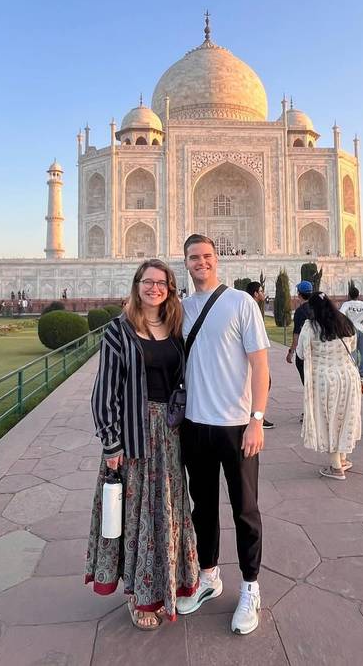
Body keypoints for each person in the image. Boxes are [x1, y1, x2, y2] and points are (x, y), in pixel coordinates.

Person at [85, 259, 198, 629]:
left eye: (161, 283)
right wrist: (111, 444)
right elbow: (104, 393)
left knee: (167, 510)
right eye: (148, 282)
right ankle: (138, 595)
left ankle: (168, 587)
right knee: (138, 515)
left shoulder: (175, 327)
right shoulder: (119, 331)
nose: (154, 288)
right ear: (137, 286)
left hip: (170, 433)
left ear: (170, 288)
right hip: (132, 436)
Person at [177, 234, 270, 635]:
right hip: (196, 426)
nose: (202, 262)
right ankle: (210, 576)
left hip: (236, 427)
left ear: (219, 260)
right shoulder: (180, 310)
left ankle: (250, 587)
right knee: (204, 507)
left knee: (245, 509)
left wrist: (256, 419)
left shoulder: (240, 303)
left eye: (207, 256)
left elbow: (261, 367)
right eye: (194, 257)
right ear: (186, 263)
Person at [298, 292, 361, 480]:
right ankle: (342, 459)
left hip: (324, 379)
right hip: (348, 376)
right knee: (344, 416)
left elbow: (301, 354)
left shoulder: (311, 326)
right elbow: (353, 347)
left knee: (328, 419)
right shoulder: (345, 322)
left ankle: (336, 468)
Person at [245, 281, 275, 429]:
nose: (263, 294)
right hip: (251, 357)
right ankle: (257, 417)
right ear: (256, 293)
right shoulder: (250, 306)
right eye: (261, 291)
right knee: (262, 383)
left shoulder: (251, 305)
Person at [339, 286, 363, 384]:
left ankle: (354, 371)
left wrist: (348, 320)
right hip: (362, 329)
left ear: (349, 295)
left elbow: (341, 314)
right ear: (358, 295)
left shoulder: (347, 304)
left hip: (351, 329)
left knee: (353, 351)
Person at [286, 281, 313, 384]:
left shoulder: (299, 312)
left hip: (304, 351)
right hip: (317, 350)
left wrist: (291, 352)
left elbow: (297, 335)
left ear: (299, 294)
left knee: (307, 383)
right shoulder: (317, 308)